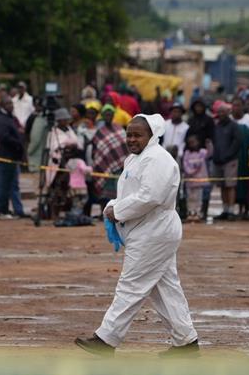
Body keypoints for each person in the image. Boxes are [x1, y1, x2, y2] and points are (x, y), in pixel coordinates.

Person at [74, 114, 200, 357]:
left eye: (137, 135)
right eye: (129, 134)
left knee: (131, 285)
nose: (131, 139)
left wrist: (117, 211)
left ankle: (106, 339)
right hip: (146, 230)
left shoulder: (158, 159)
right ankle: (186, 344)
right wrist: (113, 206)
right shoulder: (134, 159)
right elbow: (132, 192)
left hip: (155, 231)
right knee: (165, 289)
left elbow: (149, 197)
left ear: (151, 135)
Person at [87, 105, 128, 218]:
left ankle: (119, 214)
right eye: (106, 114)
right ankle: (103, 213)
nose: (108, 116)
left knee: (120, 191)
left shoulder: (120, 129)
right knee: (105, 192)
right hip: (105, 168)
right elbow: (95, 151)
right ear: (103, 116)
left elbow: (125, 147)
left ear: (113, 115)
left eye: (110, 114)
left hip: (121, 167)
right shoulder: (99, 133)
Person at [0, 94, 26, 219]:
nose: (11, 106)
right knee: (4, 184)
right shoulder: (1, 119)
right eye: (8, 104)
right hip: (5, 155)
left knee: (13, 184)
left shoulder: (11, 118)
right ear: (2, 106)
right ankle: (3, 210)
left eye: (11, 103)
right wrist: (17, 142)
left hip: (13, 156)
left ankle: (18, 210)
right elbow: (3, 137)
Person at [210, 101, 243, 220]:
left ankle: (231, 210)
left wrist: (228, 155)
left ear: (228, 112)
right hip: (218, 160)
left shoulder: (234, 126)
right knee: (222, 186)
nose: (221, 114)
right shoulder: (217, 126)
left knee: (230, 185)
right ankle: (224, 209)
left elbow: (237, 142)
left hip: (230, 160)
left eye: (223, 111)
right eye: (219, 112)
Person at [186, 99, 216, 220]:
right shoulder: (191, 120)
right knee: (191, 191)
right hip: (191, 156)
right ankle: (190, 211)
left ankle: (203, 210)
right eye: (196, 106)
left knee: (204, 187)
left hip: (204, 155)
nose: (198, 109)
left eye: (200, 106)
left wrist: (208, 147)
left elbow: (212, 137)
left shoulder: (209, 120)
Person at [181, 132, 208, 223]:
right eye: (190, 143)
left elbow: (208, 155)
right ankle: (191, 212)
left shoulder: (202, 152)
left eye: (194, 142)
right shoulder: (187, 153)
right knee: (190, 197)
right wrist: (190, 172)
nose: (192, 144)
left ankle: (197, 212)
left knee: (198, 197)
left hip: (199, 180)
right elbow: (185, 164)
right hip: (189, 180)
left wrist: (209, 144)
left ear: (198, 142)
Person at [65, 146, 92, 217]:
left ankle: (75, 213)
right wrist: (91, 168)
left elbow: (66, 169)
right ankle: (77, 212)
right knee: (85, 198)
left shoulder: (69, 162)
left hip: (72, 185)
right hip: (81, 185)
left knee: (75, 200)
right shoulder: (80, 161)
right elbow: (84, 169)